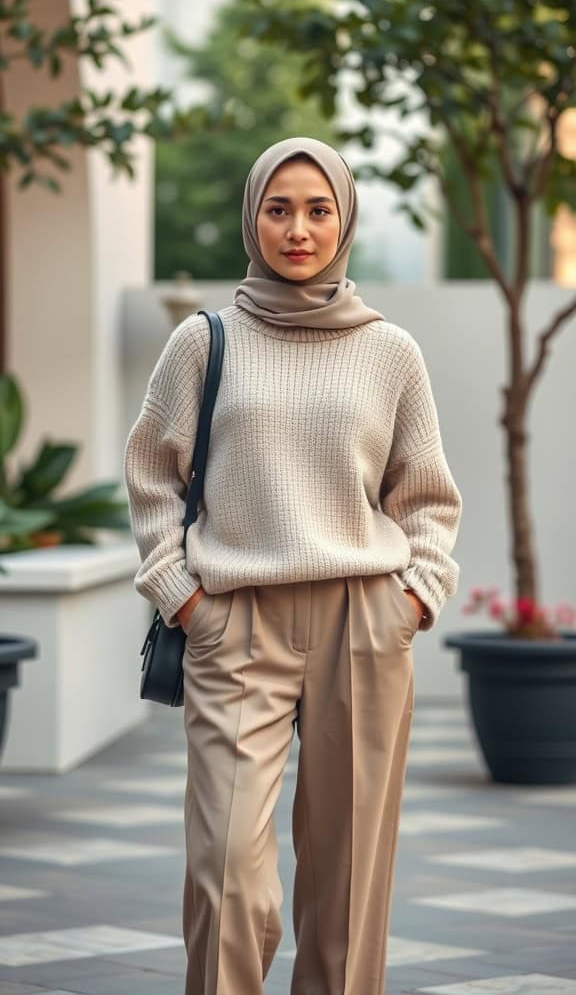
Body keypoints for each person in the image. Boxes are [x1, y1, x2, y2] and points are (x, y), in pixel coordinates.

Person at [124, 136, 462, 995]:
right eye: (279, 209)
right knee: (229, 871)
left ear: (344, 217)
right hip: (235, 617)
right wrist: (183, 597)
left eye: (318, 209)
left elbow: (424, 496)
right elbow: (151, 476)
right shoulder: (203, 342)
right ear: (253, 218)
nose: (299, 229)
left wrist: (414, 599)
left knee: (348, 879)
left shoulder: (391, 352)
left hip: (363, 619)